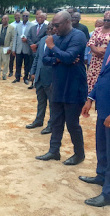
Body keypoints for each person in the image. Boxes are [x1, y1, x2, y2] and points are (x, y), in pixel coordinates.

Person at [36, 11, 87, 165]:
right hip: (58, 84)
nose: (54, 28)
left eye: (56, 25)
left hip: (74, 86)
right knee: (56, 120)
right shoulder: (56, 38)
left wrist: (53, 48)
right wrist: (60, 57)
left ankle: (79, 154)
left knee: (72, 123)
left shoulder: (78, 36)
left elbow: (70, 57)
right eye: (52, 26)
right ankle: (54, 151)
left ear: (67, 22)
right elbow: (45, 59)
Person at [80, 43, 110, 207]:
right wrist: (90, 98)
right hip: (103, 107)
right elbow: (103, 75)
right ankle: (101, 176)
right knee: (102, 146)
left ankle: (108, 194)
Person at [26, 23, 55, 135]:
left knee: (52, 104)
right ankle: (39, 120)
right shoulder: (43, 40)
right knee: (41, 101)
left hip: (51, 78)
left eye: (51, 28)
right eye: (48, 28)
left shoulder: (57, 41)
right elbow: (37, 58)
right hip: (39, 77)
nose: (49, 30)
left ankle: (51, 125)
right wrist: (33, 72)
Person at [87, 11, 110, 93]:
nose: (106, 22)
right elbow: (91, 42)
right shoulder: (97, 29)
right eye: (105, 20)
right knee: (93, 81)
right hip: (95, 60)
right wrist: (97, 51)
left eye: (109, 20)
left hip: (107, 61)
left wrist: (104, 52)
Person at [12, 11, 34, 85]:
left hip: (27, 48)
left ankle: (26, 78)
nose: (25, 17)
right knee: (18, 64)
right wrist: (13, 49)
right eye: (24, 16)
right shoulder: (18, 26)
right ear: (22, 16)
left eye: (26, 16)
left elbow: (32, 38)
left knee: (27, 64)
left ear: (29, 17)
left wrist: (27, 40)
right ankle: (17, 77)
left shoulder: (32, 25)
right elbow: (15, 37)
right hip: (19, 48)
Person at [27, 13, 48, 89]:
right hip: (31, 50)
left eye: (41, 17)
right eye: (38, 17)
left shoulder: (47, 28)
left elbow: (45, 38)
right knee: (31, 65)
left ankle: (38, 82)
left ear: (45, 19)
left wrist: (36, 45)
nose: (39, 19)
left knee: (39, 66)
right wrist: (32, 45)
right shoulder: (33, 27)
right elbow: (28, 37)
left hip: (40, 50)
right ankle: (32, 82)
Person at [0, 15, 14, 80]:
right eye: (2, 19)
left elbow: (12, 39)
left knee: (5, 62)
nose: (3, 20)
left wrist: (10, 48)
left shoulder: (11, 28)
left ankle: (4, 75)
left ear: (8, 19)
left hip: (6, 47)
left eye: (5, 19)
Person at [8, 12, 21, 77]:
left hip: (19, 44)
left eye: (18, 16)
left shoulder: (22, 24)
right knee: (11, 59)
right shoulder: (11, 25)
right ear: (14, 17)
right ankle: (10, 71)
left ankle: (18, 72)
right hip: (12, 44)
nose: (17, 17)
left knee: (19, 60)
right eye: (16, 16)